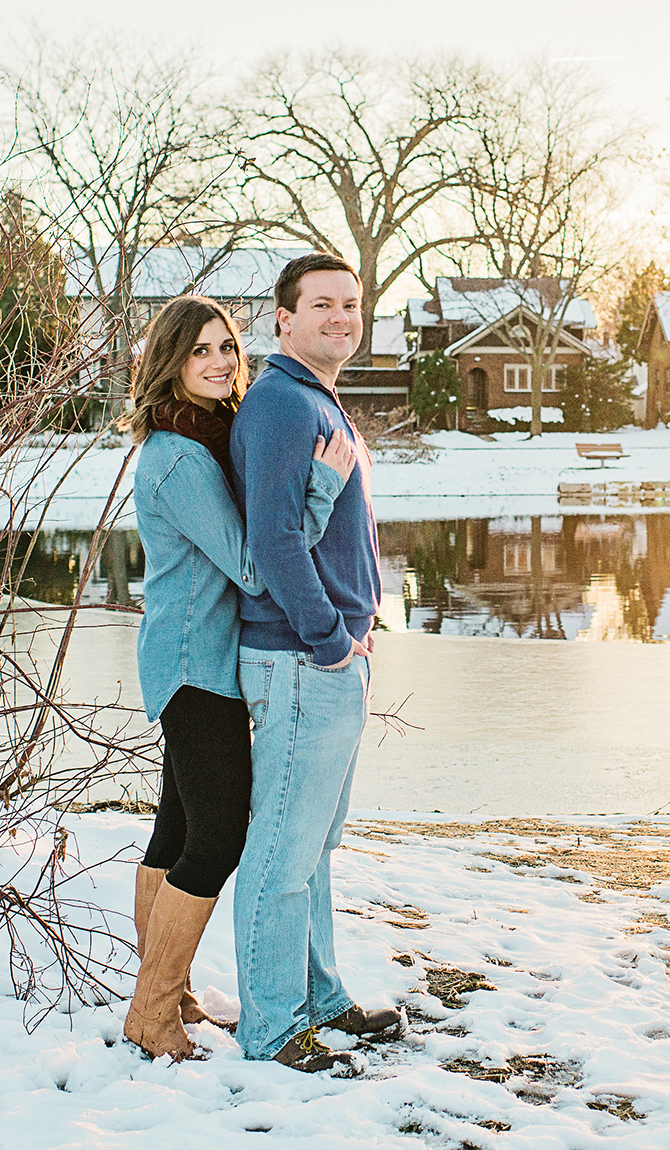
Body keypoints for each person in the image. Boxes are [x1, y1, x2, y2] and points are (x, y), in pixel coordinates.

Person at [122, 293, 356, 1061]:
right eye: (201, 352)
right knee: (218, 835)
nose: (221, 361)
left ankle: (171, 992)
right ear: (171, 365)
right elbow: (256, 568)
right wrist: (318, 490)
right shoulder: (179, 457)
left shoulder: (205, 434)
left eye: (227, 345)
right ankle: (151, 1010)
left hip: (192, 658)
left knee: (178, 829)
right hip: (198, 667)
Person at [230, 252, 400, 1073]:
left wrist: (360, 625)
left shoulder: (316, 398)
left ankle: (319, 997)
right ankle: (269, 1027)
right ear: (283, 318)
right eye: (322, 304)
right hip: (303, 660)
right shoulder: (277, 406)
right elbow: (272, 541)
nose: (341, 316)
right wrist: (331, 637)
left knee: (316, 846)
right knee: (281, 852)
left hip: (334, 656)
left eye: (351, 303)